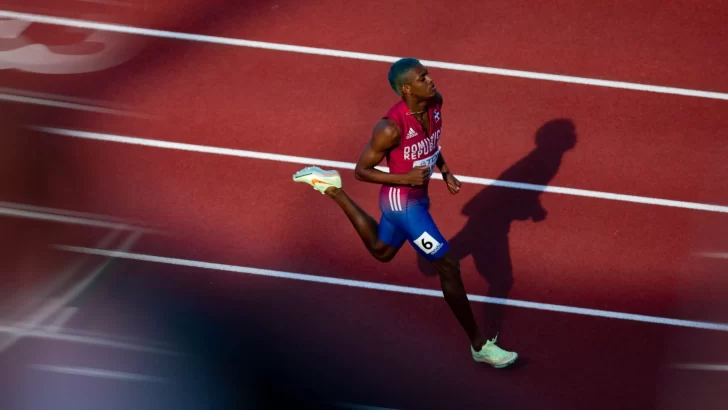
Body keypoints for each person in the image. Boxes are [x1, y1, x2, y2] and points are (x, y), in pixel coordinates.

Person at [292, 57, 517, 368]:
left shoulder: (435, 103)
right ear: (407, 88)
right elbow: (362, 170)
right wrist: (404, 178)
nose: (431, 80)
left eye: (428, 74)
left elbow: (431, 145)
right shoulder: (389, 128)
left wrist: (445, 170)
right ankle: (480, 345)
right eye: (422, 78)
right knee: (448, 265)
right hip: (402, 204)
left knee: (382, 251)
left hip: (419, 198)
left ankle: (332, 188)